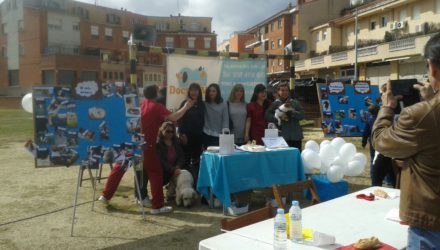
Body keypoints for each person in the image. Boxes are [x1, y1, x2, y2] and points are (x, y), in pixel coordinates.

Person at [372, 33, 440, 248]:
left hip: (432, 222)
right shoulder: (427, 112)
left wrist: (386, 108)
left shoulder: (419, 115)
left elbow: (381, 141)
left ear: (432, 67)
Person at [99, 85, 193, 214]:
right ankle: (157, 206)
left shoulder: (141, 104)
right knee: (155, 172)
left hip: (130, 141)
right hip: (145, 145)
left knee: (119, 167)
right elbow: (174, 117)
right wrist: (186, 107)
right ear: (156, 93)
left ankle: (105, 196)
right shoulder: (157, 107)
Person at [265, 82, 305, 151]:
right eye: (282, 90)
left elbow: (302, 115)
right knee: (284, 158)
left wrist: (292, 112)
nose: (285, 92)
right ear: (278, 92)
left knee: (295, 158)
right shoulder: (275, 104)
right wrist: (278, 118)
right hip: (282, 138)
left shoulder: (295, 103)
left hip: (296, 136)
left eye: (286, 90)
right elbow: (267, 116)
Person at [177, 83, 204, 180]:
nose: (194, 92)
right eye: (192, 90)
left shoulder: (202, 104)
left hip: (199, 137)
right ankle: (185, 181)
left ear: (199, 92)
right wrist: (181, 133)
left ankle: (196, 181)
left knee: (197, 160)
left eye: (196, 90)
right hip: (186, 136)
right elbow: (179, 119)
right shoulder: (185, 103)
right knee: (186, 160)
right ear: (189, 91)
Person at [156, 122, 185, 199]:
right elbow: (161, 161)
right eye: (167, 131)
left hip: (176, 169)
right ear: (162, 131)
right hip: (164, 171)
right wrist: (173, 170)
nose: (170, 133)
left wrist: (178, 166)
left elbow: (181, 156)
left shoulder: (176, 142)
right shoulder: (158, 144)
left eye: (172, 131)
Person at [202, 83, 229, 148]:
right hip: (206, 133)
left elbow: (225, 120)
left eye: (213, 91)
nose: (211, 93)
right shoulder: (205, 103)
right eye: (209, 91)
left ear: (217, 92)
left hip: (218, 135)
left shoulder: (223, 104)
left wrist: (225, 135)